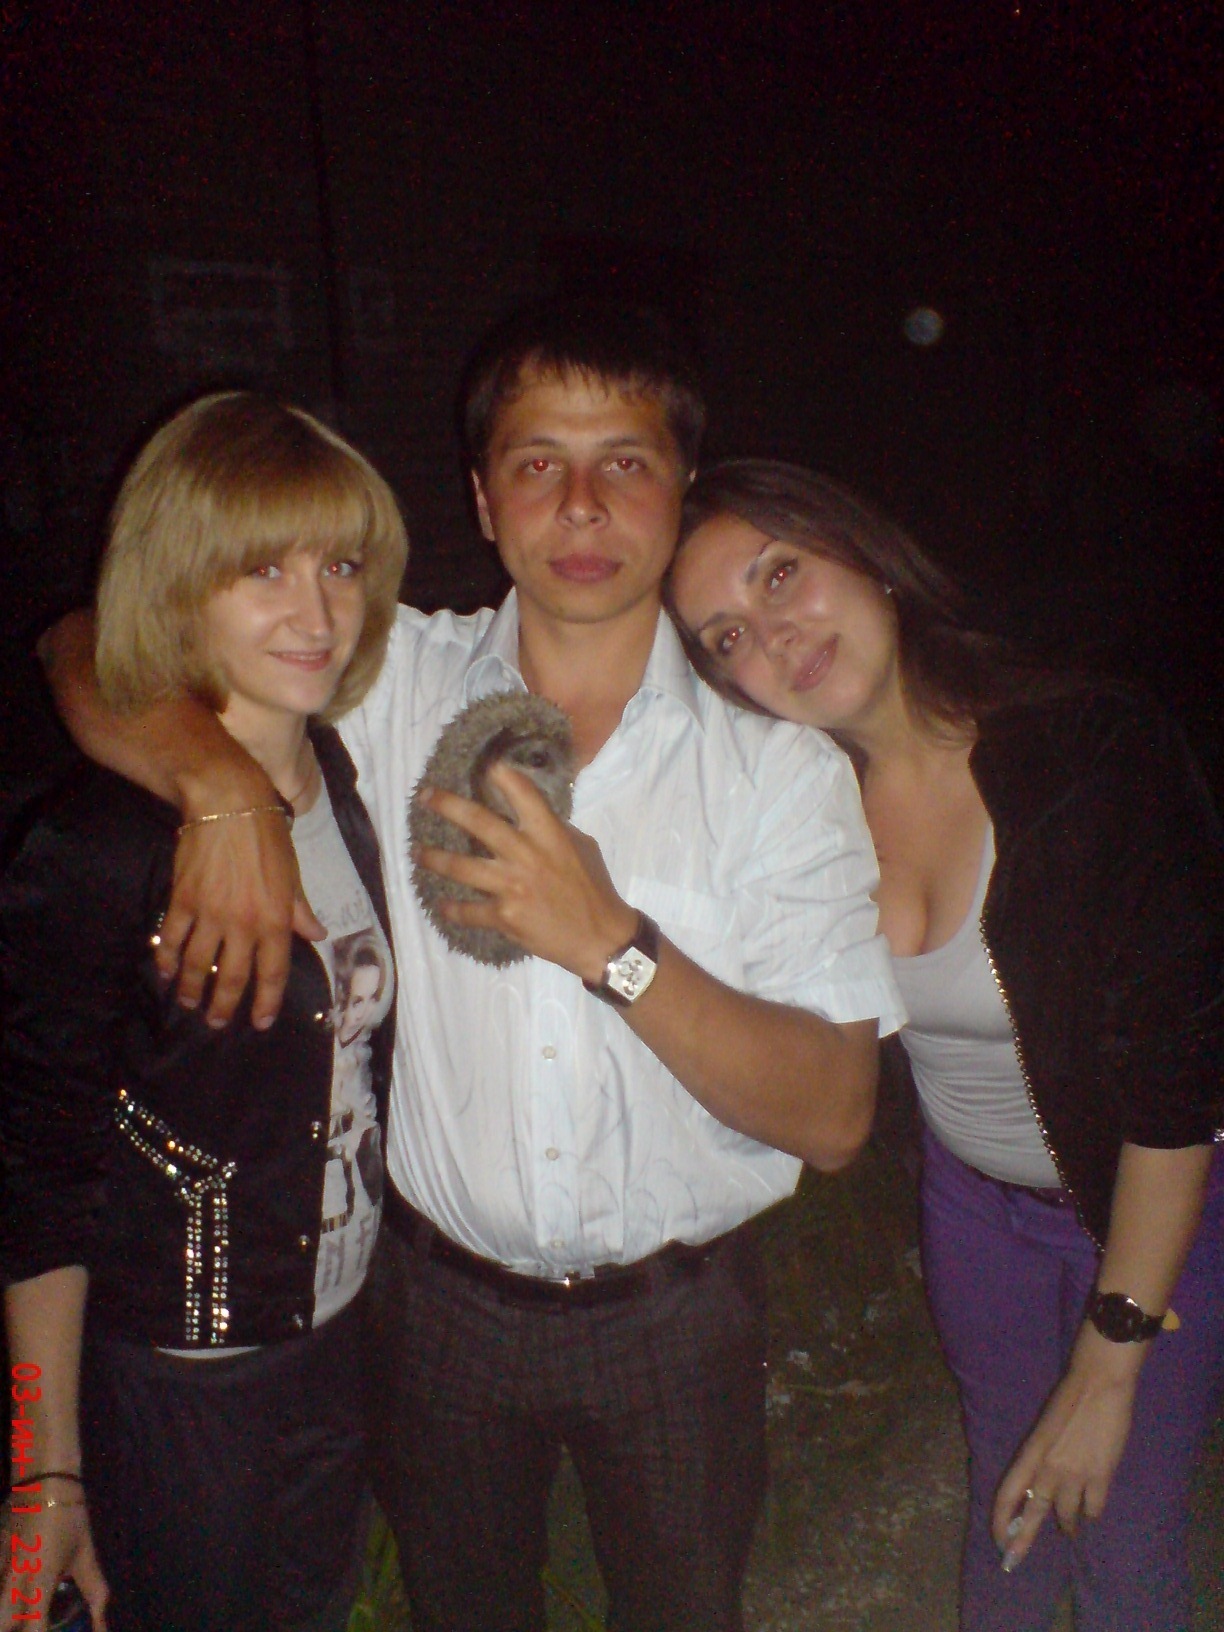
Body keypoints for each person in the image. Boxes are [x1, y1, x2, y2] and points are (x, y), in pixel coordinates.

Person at [39, 301, 905, 1632]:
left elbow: (838, 1115)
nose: (581, 502)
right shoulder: (390, 677)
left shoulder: (777, 772)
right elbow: (89, 644)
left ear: (679, 492)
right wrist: (217, 787)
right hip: (431, 1308)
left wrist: (611, 945)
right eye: (537, 461)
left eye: (624, 461)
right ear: (486, 502)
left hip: (678, 1320)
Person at [665, 458, 1224, 1632]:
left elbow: (1181, 1083)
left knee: (1123, 1539)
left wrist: (1110, 1358)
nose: (772, 635)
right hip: (973, 1212)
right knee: (1007, 1511)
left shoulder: (1091, 748)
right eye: (727, 638)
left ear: (863, 554)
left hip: (1154, 1204)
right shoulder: (797, 816)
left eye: (780, 574)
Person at [1, 392, 406, 1632]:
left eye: (340, 566)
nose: (316, 613)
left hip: (340, 1340)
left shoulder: (347, 778)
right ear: (180, 587)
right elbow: (36, 1169)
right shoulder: (103, 846)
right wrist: (43, 1465)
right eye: (261, 570)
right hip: (175, 1381)